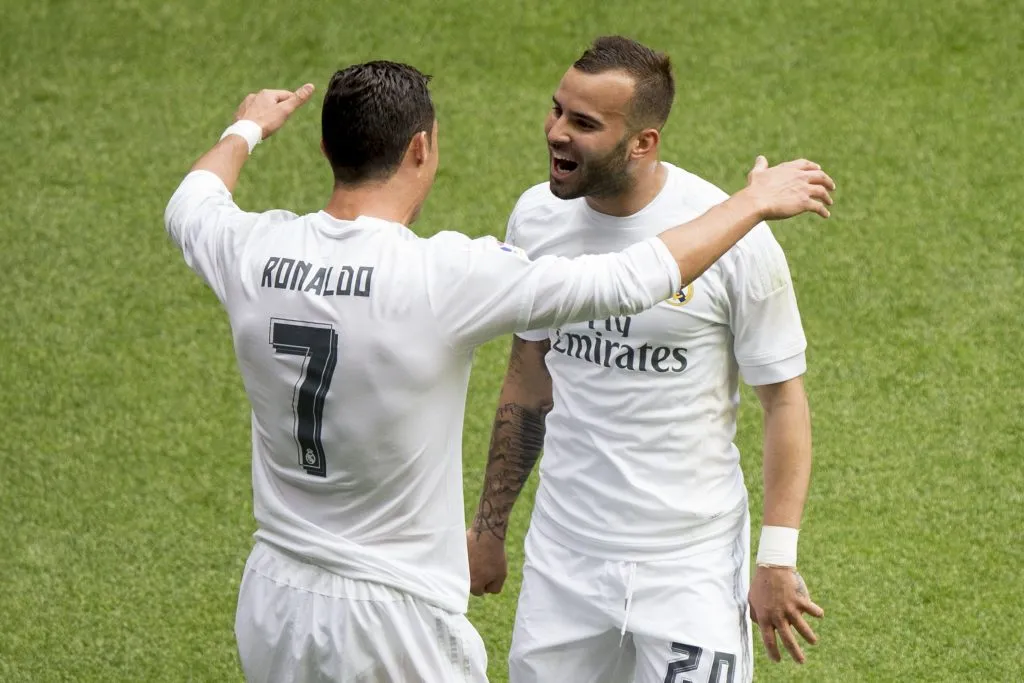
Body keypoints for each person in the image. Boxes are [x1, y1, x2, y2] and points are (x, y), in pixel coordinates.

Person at [164, 60, 834, 683]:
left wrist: (246, 128)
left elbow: (192, 201)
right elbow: (629, 280)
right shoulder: (442, 276)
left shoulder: (250, 250)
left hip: (273, 595)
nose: (557, 131)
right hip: (392, 615)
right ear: (421, 149)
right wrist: (751, 203)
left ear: (323, 147)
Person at [467, 36, 826, 683]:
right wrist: (489, 529)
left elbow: (784, 400)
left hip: (689, 563)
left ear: (643, 143)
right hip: (564, 556)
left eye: (584, 123)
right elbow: (528, 377)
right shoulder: (536, 218)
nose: (556, 132)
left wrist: (776, 557)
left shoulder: (735, 238)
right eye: (556, 110)